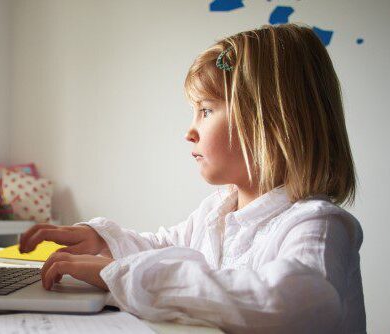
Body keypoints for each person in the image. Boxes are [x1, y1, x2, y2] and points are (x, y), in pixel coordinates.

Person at [19, 23, 365, 333]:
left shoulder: (318, 225)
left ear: (270, 121)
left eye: (206, 110)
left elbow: (291, 305)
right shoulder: (217, 212)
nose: (190, 131)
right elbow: (162, 247)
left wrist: (118, 274)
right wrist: (100, 239)